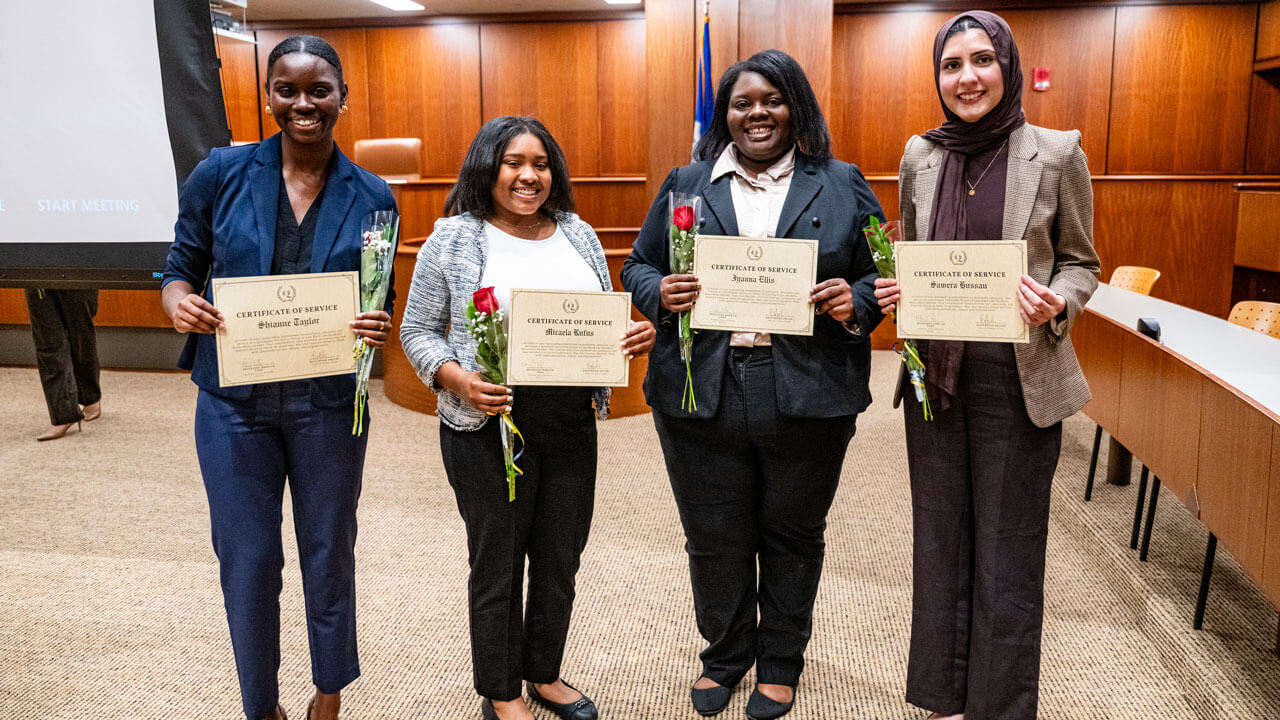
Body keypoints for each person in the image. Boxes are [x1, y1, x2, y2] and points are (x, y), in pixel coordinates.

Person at [621, 49, 883, 720]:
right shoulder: (687, 182)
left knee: (792, 531)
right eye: (742, 103)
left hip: (808, 385)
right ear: (725, 114)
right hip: (699, 385)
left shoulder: (843, 181)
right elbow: (639, 265)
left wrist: (857, 301)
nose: (756, 113)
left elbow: (878, 274)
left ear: (795, 106)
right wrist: (661, 292)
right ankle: (726, 655)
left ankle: (780, 663)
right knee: (714, 533)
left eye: (771, 99)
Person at [161, 35, 395, 720]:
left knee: (328, 553)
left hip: (327, 406)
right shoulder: (220, 174)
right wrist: (179, 304)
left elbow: (376, 294)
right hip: (234, 406)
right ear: (267, 96)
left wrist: (373, 323)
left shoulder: (374, 194)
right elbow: (178, 267)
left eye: (318, 89)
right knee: (250, 561)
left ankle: (328, 693)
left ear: (342, 98)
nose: (303, 103)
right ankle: (260, 706)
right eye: (286, 89)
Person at [873, 12, 1099, 720]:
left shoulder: (1055, 152)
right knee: (939, 541)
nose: (965, 77)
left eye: (980, 61)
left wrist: (1054, 303)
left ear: (1006, 66)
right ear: (937, 77)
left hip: (1018, 379)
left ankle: (999, 707)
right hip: (935, 382)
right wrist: (898, 289)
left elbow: (1081, 263)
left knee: (1007, 551)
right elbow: (913, 249)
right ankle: (942, 696)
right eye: (950, 65)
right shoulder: (921, 154)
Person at [398, 116, 655, 720]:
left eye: (540, 164)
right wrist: (458, 379)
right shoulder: (452, 238)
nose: (528, 176)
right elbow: (416, 331)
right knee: (498, 560)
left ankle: (544, 671)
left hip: (569, 421)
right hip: (486, 422)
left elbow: (602, 318)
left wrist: (632, 333)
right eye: (514, 163)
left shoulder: (579, 233)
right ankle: (502, 688)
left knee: (561, 554)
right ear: (489, 167)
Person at [23, 288, 102, 441]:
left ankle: (89, 397)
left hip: (77, 271)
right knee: (47, 341)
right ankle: (64, 415)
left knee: (80, 336)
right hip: (36, 272)